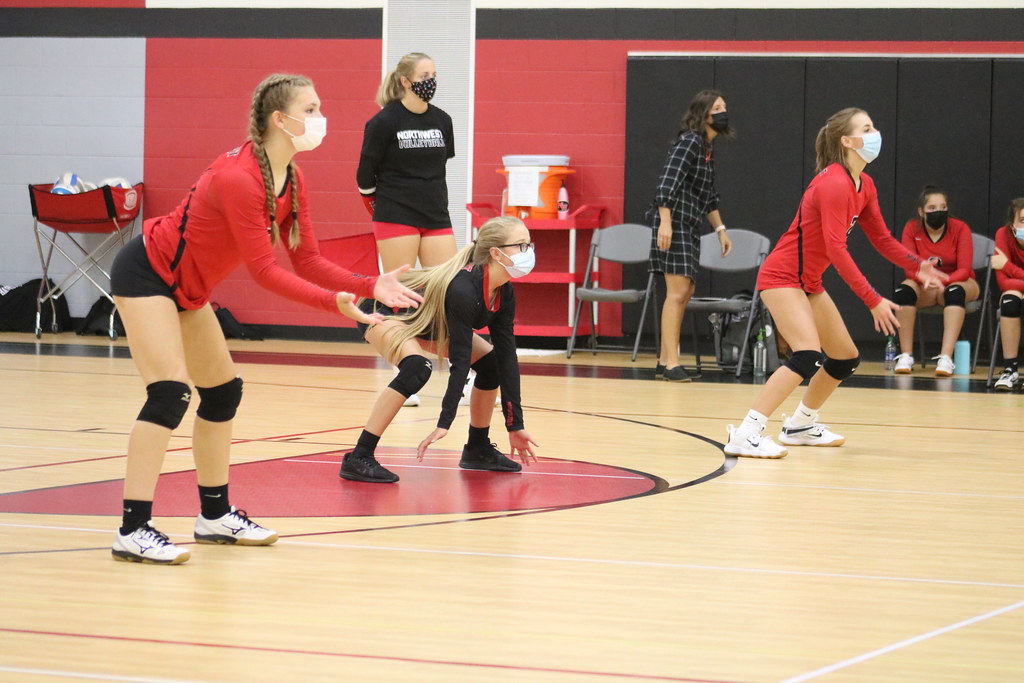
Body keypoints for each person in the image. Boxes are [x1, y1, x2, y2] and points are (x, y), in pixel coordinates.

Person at [108, 73, 422, 564]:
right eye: (312, 109)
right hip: (147, 274)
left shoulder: (291, 180)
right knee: (169, 394)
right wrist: (333, 303)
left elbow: (308, 260)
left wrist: (368, 284)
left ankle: (214, 516)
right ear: (281, 119)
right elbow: (264, 272)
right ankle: (133, 527)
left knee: (222, 392)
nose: (321, 119)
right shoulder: (240, 178)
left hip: (187, 290)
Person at [723, 107, 946, 458]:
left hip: (807, 281)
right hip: (781, 277)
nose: (875, 134)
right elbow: (836, 249)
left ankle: (799, 425)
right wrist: (872, 299)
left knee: (844, 358)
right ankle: (747, 431)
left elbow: (883, 239)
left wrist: (918, 266)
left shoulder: (864, 184)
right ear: (847, 140)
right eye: (867, 128)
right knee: (808, 354)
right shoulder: (833, 182)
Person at [339, 215, 540, 484]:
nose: (529, 253)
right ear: (495, 252)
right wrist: (444, 423)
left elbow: (507, 361)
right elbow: (459, 361)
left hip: (429, 322)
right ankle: (359, 456)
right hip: (382, 308)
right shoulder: (464, 289)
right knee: (416, 368)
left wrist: (515, 426)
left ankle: (477, 449)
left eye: (529, 245)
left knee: (491, 365)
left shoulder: (504, 292)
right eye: (521, 245)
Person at [357, 52, 457, 407]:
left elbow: (436, 169)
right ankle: (404, 370)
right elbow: (364, 179)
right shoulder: (383, 123)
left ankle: (458, 374)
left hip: (436, 216)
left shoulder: (443, 120)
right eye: (424, 74)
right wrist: (382, 212)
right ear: (405, 81)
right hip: (396, 213)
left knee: (447, 293)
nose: (431, 79)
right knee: (397, 294)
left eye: (434, 73)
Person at [648, 89, 733, 383]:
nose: (723, 112)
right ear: (703, 114)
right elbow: (666, 183)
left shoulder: (707, 149)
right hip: (674, 223)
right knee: (676, 293)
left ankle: (663, 361)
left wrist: (720, 229)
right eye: (717, 108)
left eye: (725, 107)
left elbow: (708, 197)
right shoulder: (689, 143)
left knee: (686, 292)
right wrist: (665, 223)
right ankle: (672, 363)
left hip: (689, 223)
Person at [890, 186, 977, 376]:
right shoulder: (911, 228)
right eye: (932, 208)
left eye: (943, 207)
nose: (938, 212)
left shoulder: (960, 228)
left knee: (954, 291)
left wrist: (943, 282)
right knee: (903, 292)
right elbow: (909, 268)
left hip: (959, 281)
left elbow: (964, 269)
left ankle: (946, 358)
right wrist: (927, 279)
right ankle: (906, 355)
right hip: (925, 284)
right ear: (921, 211)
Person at [990, 197, 1024, 391]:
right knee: (1010, 300)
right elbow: (1003, 282)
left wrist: (1008, 266)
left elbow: (1006, 271)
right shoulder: (1003, 235)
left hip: (1018, 286)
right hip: (1015, 291)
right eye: (1023, 220)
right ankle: (1010, 370)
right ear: (1012, 225)